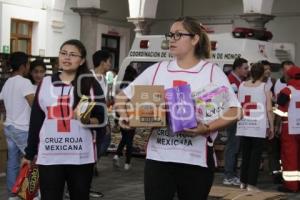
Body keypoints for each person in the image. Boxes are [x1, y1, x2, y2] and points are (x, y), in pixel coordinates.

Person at [115, 16, 242, 200]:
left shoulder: (211, 72)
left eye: (178, 35)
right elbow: (122, 97)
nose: (171, 39)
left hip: (196, 159)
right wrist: (124, 115)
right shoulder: (157, 69)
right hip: (159, 158)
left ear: (195, 39)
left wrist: (205, 128)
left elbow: (235, 111)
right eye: (170, 35)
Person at [22, 39, 106, 200]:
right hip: (50, 156)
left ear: (81, 60)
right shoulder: (45, 83)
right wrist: (29, 153)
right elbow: (36, 122)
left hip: (81, 157)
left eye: (73, 54)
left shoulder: (90, 84)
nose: (67, 58)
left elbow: (102, 120)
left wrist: (87, 121)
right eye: (63, 53)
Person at [0, 52, 35, 198]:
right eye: (28, 64)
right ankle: (33, 193)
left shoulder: (8, 81)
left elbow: (1, 102)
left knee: (12, 161)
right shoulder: (24, 82)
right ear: (23, 66)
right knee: (33, 159)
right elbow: (33, 104)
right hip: (21, 128)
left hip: (9, 126)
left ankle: (13, 194)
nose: (28, 67)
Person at [236, 62, 274, 191]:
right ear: (262, 74)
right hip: (258, 126)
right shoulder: (264, 87)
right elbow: (269, 109)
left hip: (243, 124)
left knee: (245, 155)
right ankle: (251, 184)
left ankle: (243, 182)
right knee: (255, 157)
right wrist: (272, 126)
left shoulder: (241, 85)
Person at [223, 57, 249, 186]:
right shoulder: (230, 81)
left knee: (236, 147)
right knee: (233, 146)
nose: (247, 70)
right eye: (245, 68)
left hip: (238, 118)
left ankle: (231, 174)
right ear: (238, 68)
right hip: (232, 118)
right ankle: (228, 175)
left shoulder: (240, 81)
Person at [276, 65, 300, 193]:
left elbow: (280, 110)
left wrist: (276, 126)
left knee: (289, 157)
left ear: (289, 76)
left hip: (289, 128)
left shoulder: (287, 91)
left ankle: (291, 186)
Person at [113, 65, 138, 170]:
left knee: (125, 137)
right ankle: (127, 163)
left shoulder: (121, 85)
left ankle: (117, 155)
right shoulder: (133, 86)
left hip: (120, 113)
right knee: (129, 139)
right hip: (130, 114)